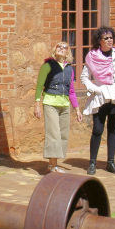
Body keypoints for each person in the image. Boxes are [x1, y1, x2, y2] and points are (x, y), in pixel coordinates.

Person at [80, 26, 115, 175]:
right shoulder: (92, 56)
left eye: (111, 38)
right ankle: (92, 163)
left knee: (113, 129)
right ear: (99, 41)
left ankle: (111, 162)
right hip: (100, 96)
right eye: (106, 38)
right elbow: (84, 76)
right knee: (97, 129)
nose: (109, 40)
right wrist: (96, 89)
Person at [33, 39, 83, 172]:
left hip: (64, 105)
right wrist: (37, 104)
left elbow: (71, 91)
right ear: (55, 50)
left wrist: (77, 109)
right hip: (50, 103)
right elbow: (39, 86)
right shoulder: (47, 65)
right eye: (59, 46)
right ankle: (52, 165)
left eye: (65, 47)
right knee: (53, 134)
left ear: (68, 52)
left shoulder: (69, 69)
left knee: (62, 135)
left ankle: (54, 163)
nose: (61, 48)